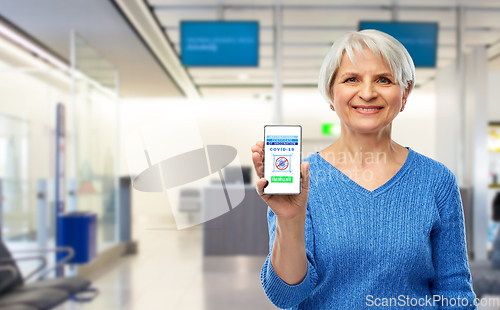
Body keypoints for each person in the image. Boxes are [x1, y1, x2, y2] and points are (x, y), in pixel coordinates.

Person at [251, 29, 477, 309]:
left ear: (404, 93)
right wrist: (289, 220)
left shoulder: (436, 180)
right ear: (331, 93)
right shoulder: (302, 179)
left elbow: (454, 291)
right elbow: (286, 297)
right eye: (351, 79)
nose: (368, 93)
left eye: (384, 79)